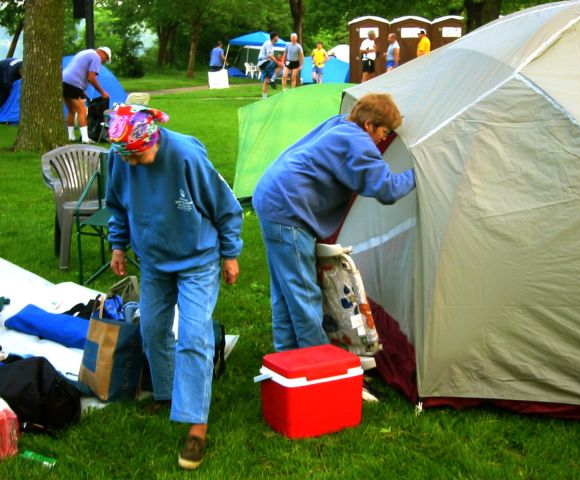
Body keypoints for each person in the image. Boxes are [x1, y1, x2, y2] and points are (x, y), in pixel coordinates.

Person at [106, 104, 243, 470]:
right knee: (152, 329)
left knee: (194, 335)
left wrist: (230, 254)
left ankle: (197, 427)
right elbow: (118, 204)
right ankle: (167, 394)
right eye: (127, 159)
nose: (132, 165)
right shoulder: (121, 154)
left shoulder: (185, 154)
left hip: (197, 258)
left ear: (152, 137)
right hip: (153, 260)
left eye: (138, 156)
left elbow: (226, 207)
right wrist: (118, 244)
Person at [252, 93, 415, 352]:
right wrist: (420, 171)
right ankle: (317, 368)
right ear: (368, 124)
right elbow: (388, 189)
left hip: (272, 196)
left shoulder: (342, 124)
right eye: (383, 131)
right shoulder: (359, 142)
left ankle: (287, 360)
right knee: (304, 296)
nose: (384, 138)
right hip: (288, 209)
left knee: (286, 292)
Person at [62, 46, 111, 144]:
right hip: (73, 84)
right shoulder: (96, 57)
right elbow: (91, 78)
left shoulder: (86, 52)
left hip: (63, 80)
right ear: (102, 53)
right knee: (82, 111)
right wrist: (102, 92)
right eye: (105, 59)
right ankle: (85, 139)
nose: (103, 62)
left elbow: (77, 70)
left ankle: (71, 136)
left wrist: (82, 90)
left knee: (71, 110)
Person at [257, 32, 283, 100]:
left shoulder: (270, 44)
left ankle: (264, 98)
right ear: (274, 37)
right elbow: (270, 55)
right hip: (264, 62)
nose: (278, 38)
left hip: (262, 63)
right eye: (277, 36)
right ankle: (272, 80)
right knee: (281, 65)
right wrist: (277, 62)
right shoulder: (269, 43)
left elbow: (270, 56)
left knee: (266, 80)